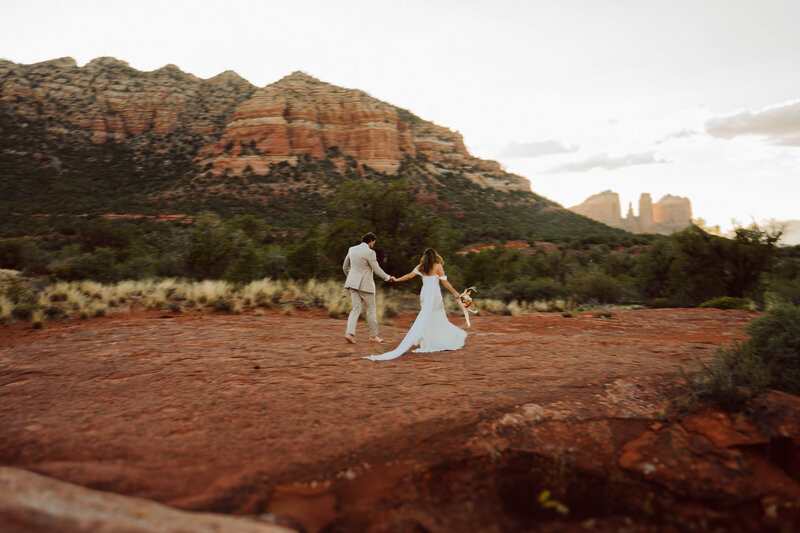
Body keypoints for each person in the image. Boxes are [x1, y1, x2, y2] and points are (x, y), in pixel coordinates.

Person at [364, 248, 466, 361]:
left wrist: (396, 280)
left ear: (425, 257)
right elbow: (445, 282)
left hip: (425, 295)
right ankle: (437, 340)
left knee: (427, 317)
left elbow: (408, 276)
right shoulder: (438, 266)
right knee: (438, 317)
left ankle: (430, 340)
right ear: (435, 256)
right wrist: (455, 293)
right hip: (435, 296)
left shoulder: (420, 267)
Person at [343, 233, 395, 344]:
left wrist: (351, 278)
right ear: (370, 241)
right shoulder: (370, 253)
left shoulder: (351, 249)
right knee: (371, 311)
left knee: (355, 309)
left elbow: (345, 267)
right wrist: (387, 278)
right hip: (366, 286)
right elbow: (376, 269)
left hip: (352, 284)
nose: (373, 245)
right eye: (373, 242)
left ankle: (349, 333)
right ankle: (373, 336)